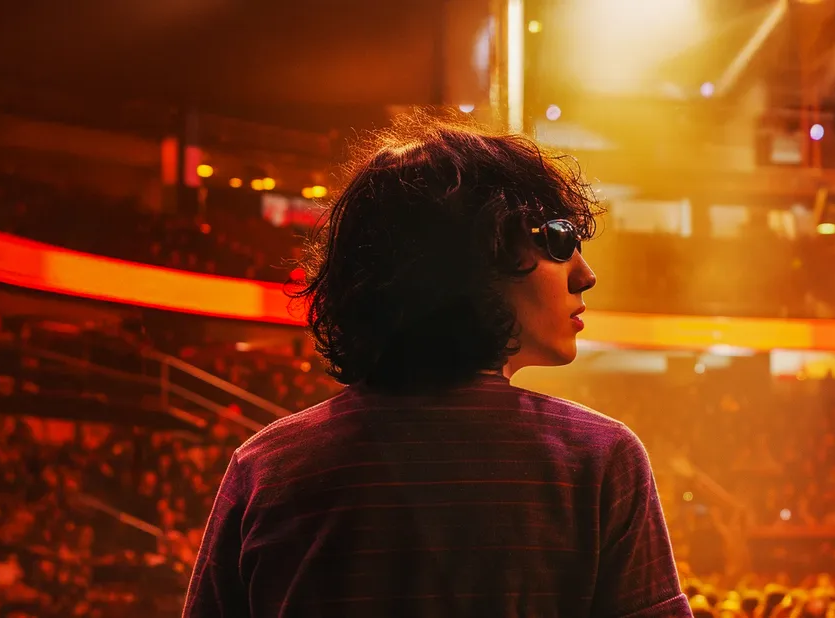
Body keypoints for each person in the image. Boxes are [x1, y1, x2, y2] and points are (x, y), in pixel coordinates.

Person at [183, 111, 691, 618]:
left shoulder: (267, 468)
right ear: (469, 253)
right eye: (557, 238)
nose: (586, 274)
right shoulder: (597, 460)